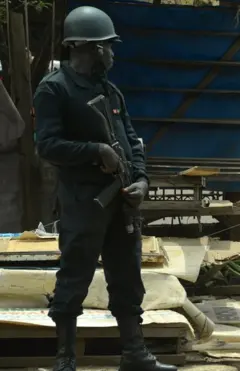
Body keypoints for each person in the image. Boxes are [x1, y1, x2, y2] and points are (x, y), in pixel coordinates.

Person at [33, 6, 176, 371]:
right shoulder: (54, 90)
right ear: (91, 49)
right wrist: (95, 152)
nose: (112, 54)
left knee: (127, 277)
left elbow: (132, 141)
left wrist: (142, 181)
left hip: (122, 202)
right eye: (107, 47)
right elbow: (47, 145)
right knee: (74, 277)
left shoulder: (110, 92)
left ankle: (134, 353)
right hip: (84, 203)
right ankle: (65, 359)